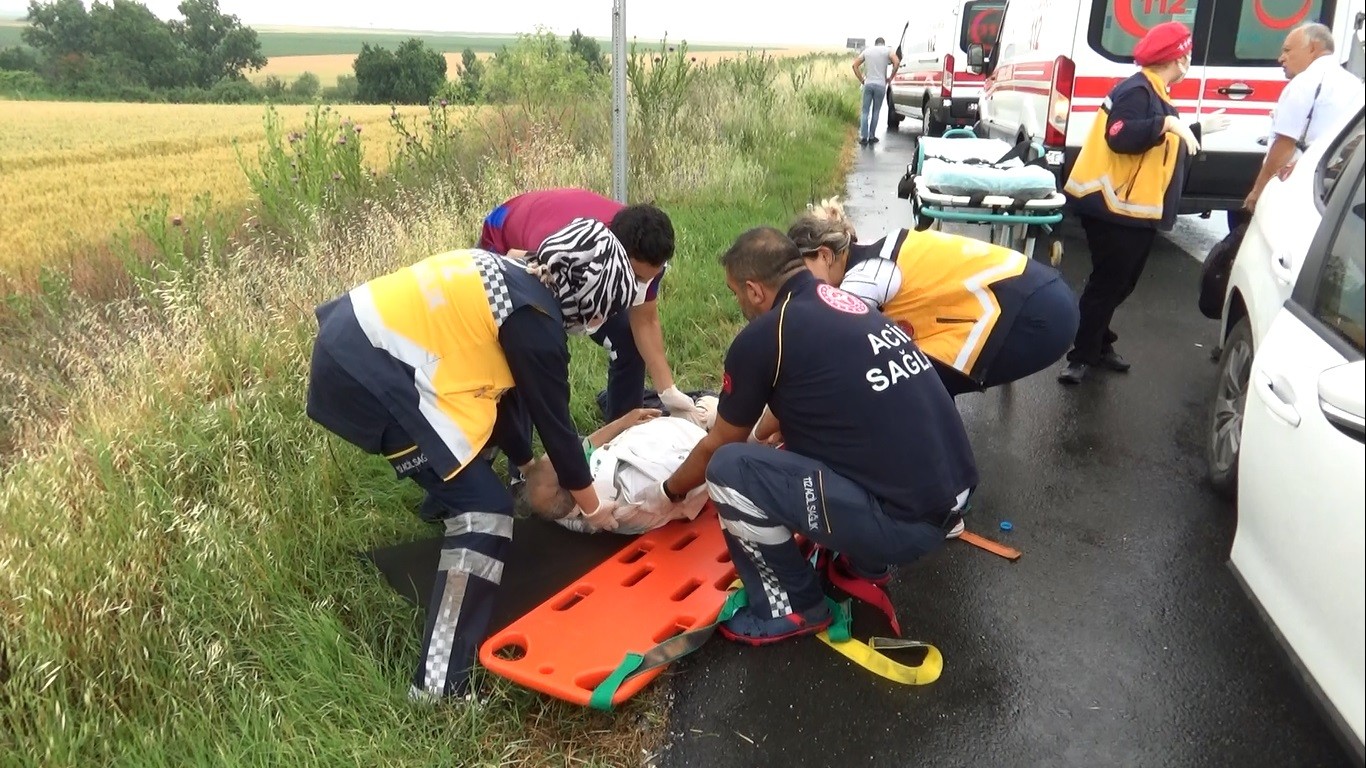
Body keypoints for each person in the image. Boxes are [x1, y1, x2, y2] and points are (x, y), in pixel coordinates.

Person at [305, 219, 640, 701]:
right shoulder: (536, 322)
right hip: (369, 374)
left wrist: (526, 467)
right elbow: (557, 426)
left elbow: (502, 397)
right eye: (600, 311)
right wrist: (592, 509)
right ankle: (439, 687)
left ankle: (453, 525)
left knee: (475, 467)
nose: (595, 323)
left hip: (355, 340)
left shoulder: (515, 275)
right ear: (590, 293)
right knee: (484, 512)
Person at [636, 227, 978, 645]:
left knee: (729, 470)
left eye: (735, 294)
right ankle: (866, 561)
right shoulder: (846, 306)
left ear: (754, 290)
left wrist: (668, 492)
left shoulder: (765, 336)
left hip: (907, 526)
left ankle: (794, 606)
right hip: (950, 498)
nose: (738, 303)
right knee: (801, 444)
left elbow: (718, 447)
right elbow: (782, 420)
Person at [1057, 21, 1229, 385]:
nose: (1189, 62)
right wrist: (1168, 123)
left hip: (1134, 210)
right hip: (1111, 206)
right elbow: (1121, 135)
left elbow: (1157, 142)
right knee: (1107, 285)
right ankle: (1081, 357)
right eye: (1188, 55)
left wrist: (1195, 129)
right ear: (1178, 57)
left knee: (1122, 284)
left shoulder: (1155, 90)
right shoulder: (1137, 91)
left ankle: (1099, 344)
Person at [785, 197, 1079, 398]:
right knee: (917, 377)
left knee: (893, 383)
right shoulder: (883, 247)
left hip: (1033, 314)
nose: (801, 285)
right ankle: (940, 462)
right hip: (1046, 291)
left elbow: (827, 350)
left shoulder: (862, 279)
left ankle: (939, 476)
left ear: (824, 255)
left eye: (801, 270)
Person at [478, 187, 705, 425]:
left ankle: (623, 430)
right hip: (507, 237)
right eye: (636, 279)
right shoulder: (561, 253)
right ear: (611, 260)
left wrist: (667, 391)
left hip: (560, 230)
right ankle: (519, 454)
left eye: (650, 278)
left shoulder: (646, 251)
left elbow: (645, 321)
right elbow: (518, 262)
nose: (641, 287)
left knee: (626, 337)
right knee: (526, 353)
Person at [517, 399, 719, 535]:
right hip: (692, 442)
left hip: (670, 435)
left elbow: (586, 447)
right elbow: (689, 475)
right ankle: (706, 412)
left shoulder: (570, 505)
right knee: (713, 411)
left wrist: (623, 421)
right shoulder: (628, 494)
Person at [1244, 22, 1364, 213]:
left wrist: (1258, 190)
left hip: (1292, 182)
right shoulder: (1354, 84)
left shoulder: (1304, 83)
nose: (1281, 58)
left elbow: (1285, 145)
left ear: (1313, 48)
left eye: (1287, 50)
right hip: (1328, 187)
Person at [852, 36, 900, 146]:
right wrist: (891, 77)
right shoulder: (888, 50)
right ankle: (872, 136)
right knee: (876, 111)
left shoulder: (867, 51)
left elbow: (854, 66)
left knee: (865, 111)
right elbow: (896, 63)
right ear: (883, 43)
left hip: (868, 84)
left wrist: (862, 80)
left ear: (875, 43)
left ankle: (864, 137)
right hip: (880, 85)